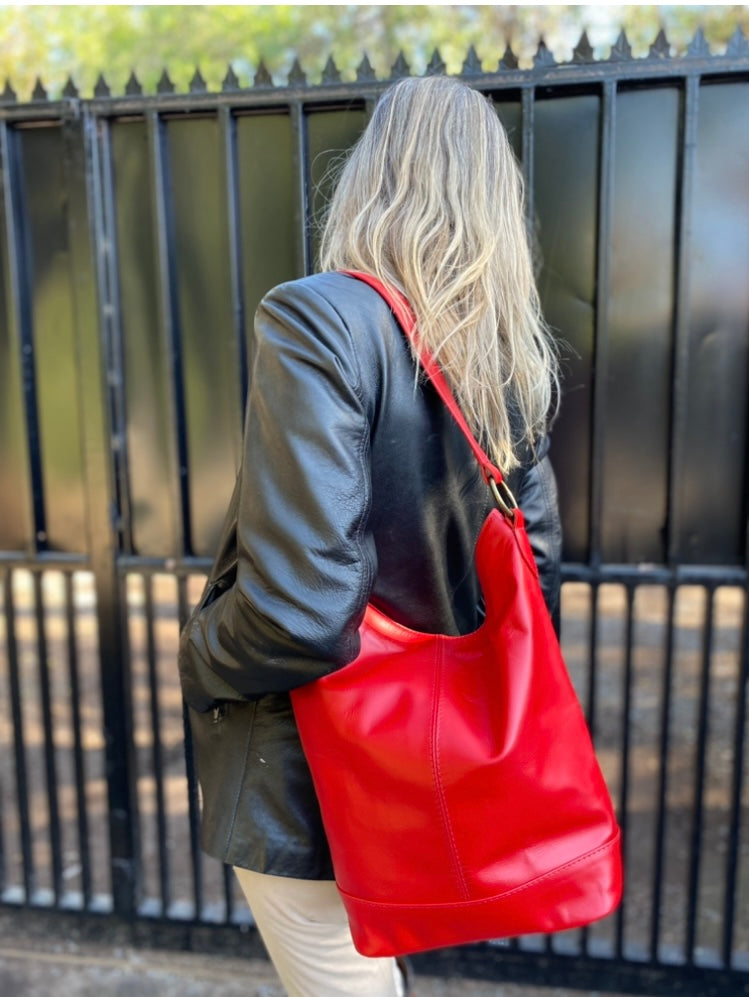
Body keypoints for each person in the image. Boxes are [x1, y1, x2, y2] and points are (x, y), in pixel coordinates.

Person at [178, 74, 562, 997]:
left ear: (369, 176)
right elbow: (532, 576)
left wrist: (197, 652)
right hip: (427, 758)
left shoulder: (318, 316)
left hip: (308, 765)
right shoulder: (508, 356)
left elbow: (300, 612)